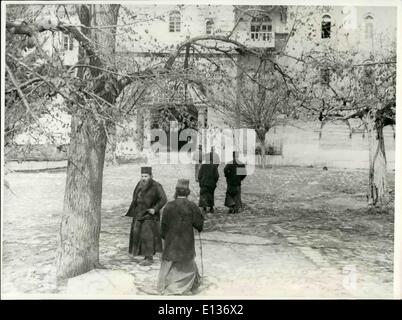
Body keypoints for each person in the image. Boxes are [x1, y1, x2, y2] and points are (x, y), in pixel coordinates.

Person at [157, 179, 204, 295]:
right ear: (188, 192)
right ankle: (184, 285)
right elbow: (199, 225)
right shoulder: (192, 206)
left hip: (171, 242)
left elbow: (163, 226)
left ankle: (166, 285)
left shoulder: (169, 206)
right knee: (187, 262)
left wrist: (164, 237)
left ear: (176, 192)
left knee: (169, 262)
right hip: (186, 243)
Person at [125, 166, 167, 266]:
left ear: (151, 176)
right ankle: (140, 253)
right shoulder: (139, 184)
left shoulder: (156, 186)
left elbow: (163, 199)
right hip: (138, 213)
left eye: (146, 176)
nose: (143, 178)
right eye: (142, 176)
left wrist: (155, 209)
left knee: (148, 236)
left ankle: (149, 258)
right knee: (138, 234)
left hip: (149, 215)